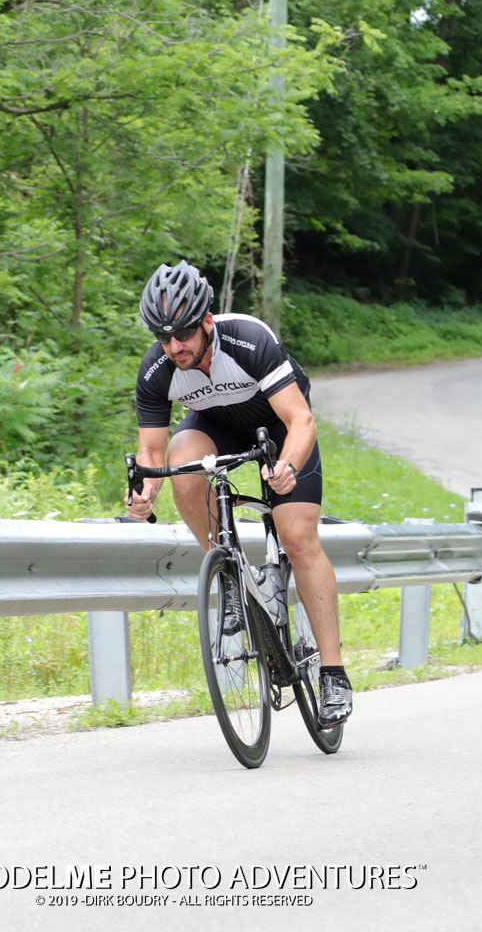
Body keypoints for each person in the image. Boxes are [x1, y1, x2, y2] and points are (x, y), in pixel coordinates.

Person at [125, 260, 353, 728]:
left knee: (297, 537)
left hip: (278, 427)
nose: (174, 346)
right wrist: (144, 492)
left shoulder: (248, 339)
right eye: (163, 337)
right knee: (182, 459)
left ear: (206, 322)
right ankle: (228, 575)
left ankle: (333, 674)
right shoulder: (158, 369)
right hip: (216, 427)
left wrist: (287, 466)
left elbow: (300, 420)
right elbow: (151, 452)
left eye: (183, 334)